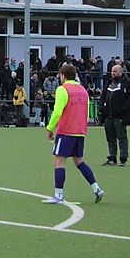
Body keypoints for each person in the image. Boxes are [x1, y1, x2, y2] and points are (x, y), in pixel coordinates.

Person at [43, 64, 105, 205]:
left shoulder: (62, 89)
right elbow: (87, 111)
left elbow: (57, 111)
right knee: (79, 161)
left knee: (59, 162)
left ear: (63, 75)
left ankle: (58, 195)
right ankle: (96, 189)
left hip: (66, 131)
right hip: (80, 131)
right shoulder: (83, 90)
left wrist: (50, 128)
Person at [99, 64, 130, 166]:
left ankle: (123, 158)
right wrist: (102, 109)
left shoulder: (126, 83)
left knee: (122, 137)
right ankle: (112, 158)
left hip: (120, 116)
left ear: (121, 72)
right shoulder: (109, 83)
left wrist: (123, 110)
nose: (113, 73)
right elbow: (103, 97)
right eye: (112, 71)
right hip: (108, 116)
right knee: (110, 138)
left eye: (115, 71)